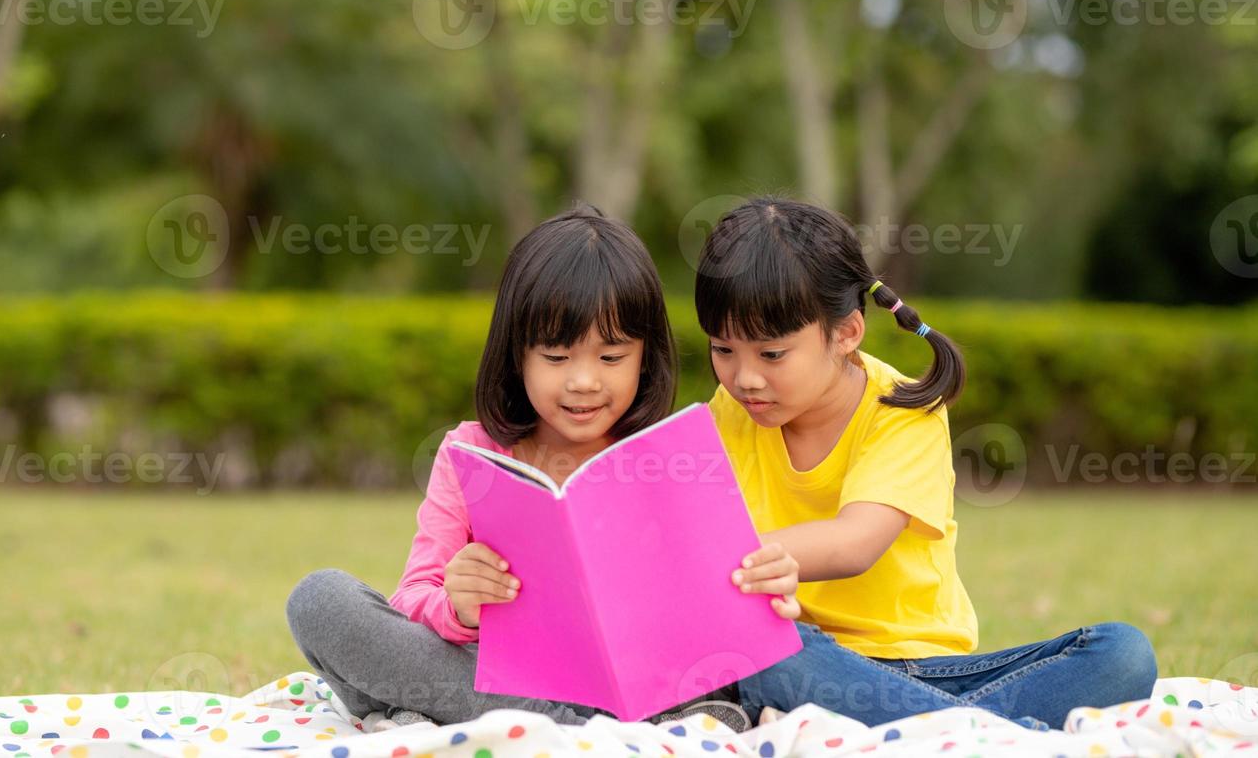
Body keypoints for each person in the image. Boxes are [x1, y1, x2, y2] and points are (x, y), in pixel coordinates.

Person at [286, 203, 798, 731]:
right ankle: (563, 726)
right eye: (556, 358)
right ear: (518, 355)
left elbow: (717, 598)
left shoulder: (671, 455)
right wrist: (458, 607)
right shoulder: (470, 454)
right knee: (322, 600)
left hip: (641, 685)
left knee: (728, 670)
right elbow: (413, 597)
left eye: (611, 357)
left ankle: (428, 713)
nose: (583, 382)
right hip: (500, 679)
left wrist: (760, 585)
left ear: (646, 356)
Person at [696, 196, 1158, 730]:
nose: (744, 377)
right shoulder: (729, 412)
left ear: (845, 333)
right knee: (771, 651)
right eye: (722, 349)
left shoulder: (903, 410)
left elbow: (855, 543)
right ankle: (981, 734)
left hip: (923, 669)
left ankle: (952, 730)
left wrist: (745, 560)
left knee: (1122, 653)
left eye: (771, 354)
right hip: (805, 658)